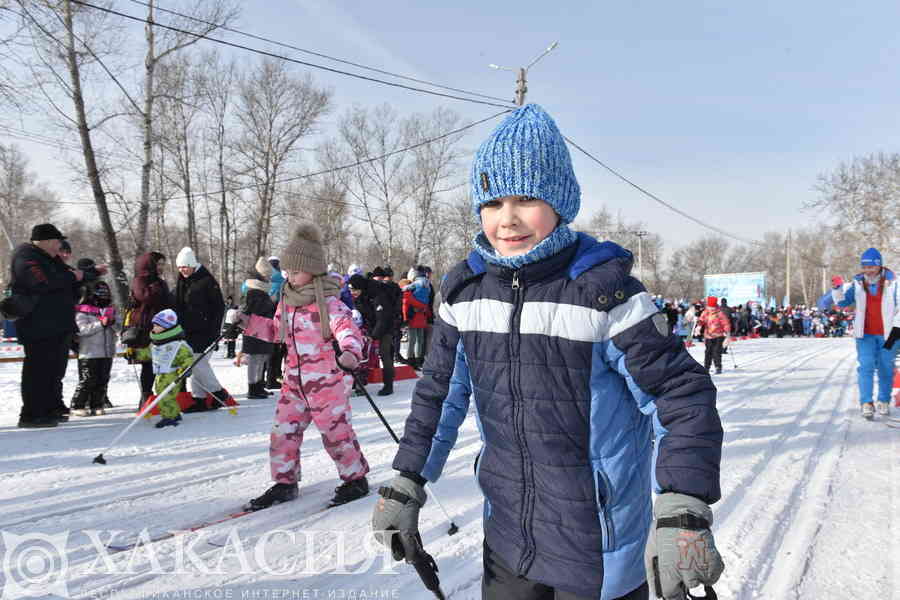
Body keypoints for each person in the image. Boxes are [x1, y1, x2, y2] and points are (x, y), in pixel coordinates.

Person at [371, 105, 723, 600]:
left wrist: (683, 507)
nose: (507, 219)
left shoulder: (604, 292)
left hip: (601, 547)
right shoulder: (466, 293)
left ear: (560, 201)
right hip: (510, 541)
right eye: (492, 203)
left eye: (526, 199)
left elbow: (681, 398)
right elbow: (438, 396)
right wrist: (407, 479)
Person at [245, 224, 370, 510]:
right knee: (283, 432)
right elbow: (277, 332)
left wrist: (351, 352)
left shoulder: (329, 302)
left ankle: (355, 479)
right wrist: (247, 322)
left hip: (327, 382)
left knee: (336, 433)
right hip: (294, 382)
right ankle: (285, 482)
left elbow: (347, 329)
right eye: (287, 271)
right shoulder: (287, 302)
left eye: (296, 271)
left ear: (313, 270)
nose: (289, 276)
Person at [10, 224, 83, 428]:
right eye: (58, 240)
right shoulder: (26, 256)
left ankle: (51, 407)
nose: (60, 245)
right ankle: (32, 413)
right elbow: (41, 282)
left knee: (54, 369)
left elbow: (67, 279)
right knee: (38, 370)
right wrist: (71, 277)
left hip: (58, 323)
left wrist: (84, 276)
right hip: (38, 324)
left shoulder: (51, 259)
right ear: (47, 241)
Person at [832, 248, 900, 419]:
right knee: (866, 366)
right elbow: (842, 302)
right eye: (865, 267)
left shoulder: (895, 283)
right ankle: (866, 403)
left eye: (871, 267)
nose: (868, 270)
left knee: (886, 367)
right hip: (865, 334)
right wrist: (837, 289)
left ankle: (883, 401)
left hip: (890, 334)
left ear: (879, 265)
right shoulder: (857, 282)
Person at [174, 247, 232, 412]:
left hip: (205, 331)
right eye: (179, 267)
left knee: (196, 362)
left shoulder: (207, 281)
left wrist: (214, 332)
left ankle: (218, 392)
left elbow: (218, 308)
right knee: (198, 364)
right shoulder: (183, 281)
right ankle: (199, 399)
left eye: (185, 266)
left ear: (192, 264)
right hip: (187, 331)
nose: (182, 270)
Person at [125, 252, 173, 408]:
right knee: (148, 364)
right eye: (158, 264)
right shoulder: (140, 280)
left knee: (161, 362)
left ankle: (161, 396)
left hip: (161, 326)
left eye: (162, 265)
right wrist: (159, 285)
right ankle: (145, 397)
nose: (161, 268)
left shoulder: (158, 281)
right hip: (145, 328)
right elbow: (146, 297)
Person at [227, 258, 277, 399]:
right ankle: (253, 388)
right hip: (256, 330)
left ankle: (258, 386)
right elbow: (251, 310)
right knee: (256, 359)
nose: (269, 278)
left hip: (261, 329)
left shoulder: (259, 291)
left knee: (261, 358)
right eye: (267, 275)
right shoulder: (254, 292)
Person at [70, 281, 119, 416]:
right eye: (100, 294)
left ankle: (97, 404)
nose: (104, 297)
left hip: (107, 351)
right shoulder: (82, 311)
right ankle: (77, 405)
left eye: (106, 293)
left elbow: (119, 327)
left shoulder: (111, 310)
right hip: (89, 352)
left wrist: (113, 322)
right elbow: (82, 330)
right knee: (88, 380)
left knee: (103, 379)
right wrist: (100, 324)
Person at [347, 272, 399, 396]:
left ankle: (388, 385)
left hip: (387, 326)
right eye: (350, 290)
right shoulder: (359, 297)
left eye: (354, 289)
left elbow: (383, 318)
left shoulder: (377, 295)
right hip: (372, 326)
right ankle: (359, 382)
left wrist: (373, 335)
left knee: (384, 353)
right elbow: (362, 315)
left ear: (361, 287)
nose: (352, 292)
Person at [148, 309, 191, 428]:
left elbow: (187, 357)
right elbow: (149, 352)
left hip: (172, 374)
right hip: (161, 374)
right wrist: (135, 354)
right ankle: (175, 413)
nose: (154, 328)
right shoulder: (157, 343)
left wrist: (185, 368)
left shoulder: (177, 344)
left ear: (166, 327)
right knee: (163, 394)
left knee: (166, 397)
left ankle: (169, 417)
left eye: (157, 325)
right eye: (153, 325)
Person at [265, 256, 287, 390]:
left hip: (265, 317)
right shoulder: (282, 280)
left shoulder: (265, 278)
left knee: (268, 350)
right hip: (279, 316)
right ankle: (274, 377)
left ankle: (266, 379)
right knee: (278, 350)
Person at [399, 277, 429, 370]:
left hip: (413, 319)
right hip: (420, 318)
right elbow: (425, 307)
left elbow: (405, 308)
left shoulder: (408, 295)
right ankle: (417, 360)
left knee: (413, 341)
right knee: (418, 341)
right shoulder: (420, 295)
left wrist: (405, 319)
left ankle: (411, 360)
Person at [698, 295, 731, 374]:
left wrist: (727, 333)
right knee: (708, 352)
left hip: (718, 335)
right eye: (709, 306)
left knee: (716, 351)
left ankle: (718, 366)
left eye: (712, 307)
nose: (711, 308)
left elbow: (726, 323)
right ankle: (706, 367)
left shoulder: (720, 313)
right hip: (708, 335)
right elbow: (701, 320)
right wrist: (699, 323)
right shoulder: (705, 312)